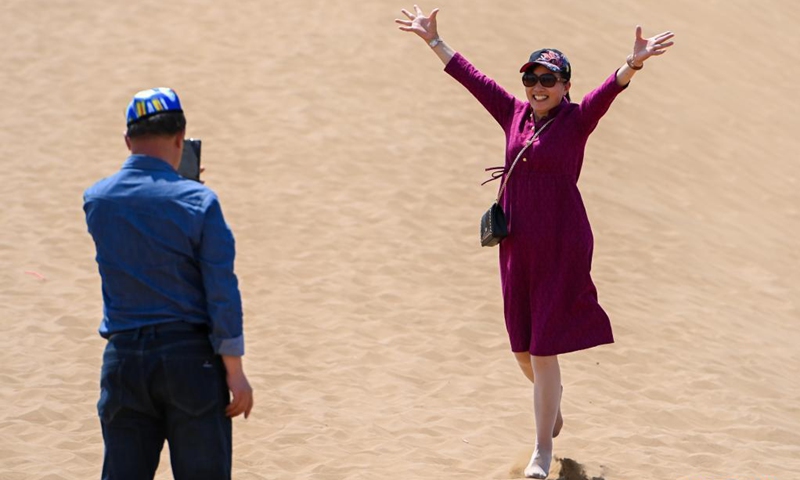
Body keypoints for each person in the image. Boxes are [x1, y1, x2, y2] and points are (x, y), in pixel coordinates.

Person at [396, 6, 674, 479]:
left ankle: (542, 451)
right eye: (531, 78)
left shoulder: (577, 120)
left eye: (548, 79)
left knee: (544, 349)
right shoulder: (514, 113)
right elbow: (473, 78)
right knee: (523, 349)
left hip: (562, 246)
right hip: (517, 247)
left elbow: (609, 91)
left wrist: (633, 62)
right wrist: (433, 41)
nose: (538, 87)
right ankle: (552, 403)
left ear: (565, 85)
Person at [83, 87, 254, 480]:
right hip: (190, 361)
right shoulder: (198, 202)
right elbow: (221, 289)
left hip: (124, 359)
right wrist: (235, 370)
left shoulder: (97, 200)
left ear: (127, 140)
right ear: (181, 138)